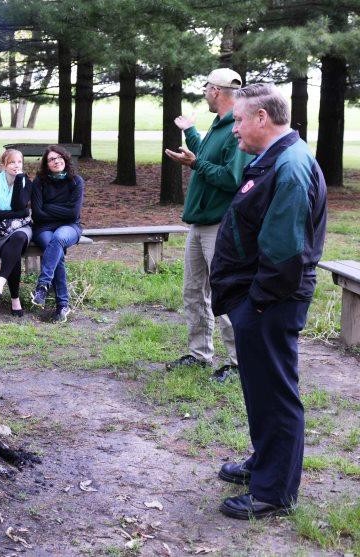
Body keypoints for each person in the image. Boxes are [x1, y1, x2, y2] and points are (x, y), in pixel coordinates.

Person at [210, 83, 326, 520]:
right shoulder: (274, 159)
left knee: (276, 393)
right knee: (259, 388)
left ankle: (273, 493)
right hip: (259, 299)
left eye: (239, 119)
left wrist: (255, 303)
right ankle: (265, 462)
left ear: (262, 118)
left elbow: (284, 251)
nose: (234, 127)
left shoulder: (290, 167)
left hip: (270, 301)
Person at [164, 68, 252, 381]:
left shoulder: (235, 130)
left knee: (224, 293)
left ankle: (239, 363)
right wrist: (191, 134)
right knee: (193, 292)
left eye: (206, 88)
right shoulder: (219, 125)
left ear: (215, 90)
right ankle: (199, 354)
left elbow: (232, 178)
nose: (204, 93)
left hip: (219, 226)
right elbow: (205, 155)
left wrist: (194, 163)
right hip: (199, 225)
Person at [29, 146, 83, 323]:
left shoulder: (76, 181)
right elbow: (37, 213)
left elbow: (73, 214)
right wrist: (60, 209)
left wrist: (48, 207)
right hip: (43, 228)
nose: (56, 161)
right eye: (51, 159)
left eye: (59, 157)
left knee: (58, 239)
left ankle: (43, 285)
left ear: (66, 160)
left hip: (69, 227)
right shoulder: (39, 182)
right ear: (46, 163)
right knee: (55, 250)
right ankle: (62, 306)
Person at [0, 148, 32, 317]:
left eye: (19, 162)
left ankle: (0, 281)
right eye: (12, 162)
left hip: (21, 228)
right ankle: (15, 299)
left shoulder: (26, 181)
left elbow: (20, 204)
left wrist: (19, 180)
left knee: (18, 238)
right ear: (3, 165)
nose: (16, 165)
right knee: (13, 251)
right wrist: (18, 214)